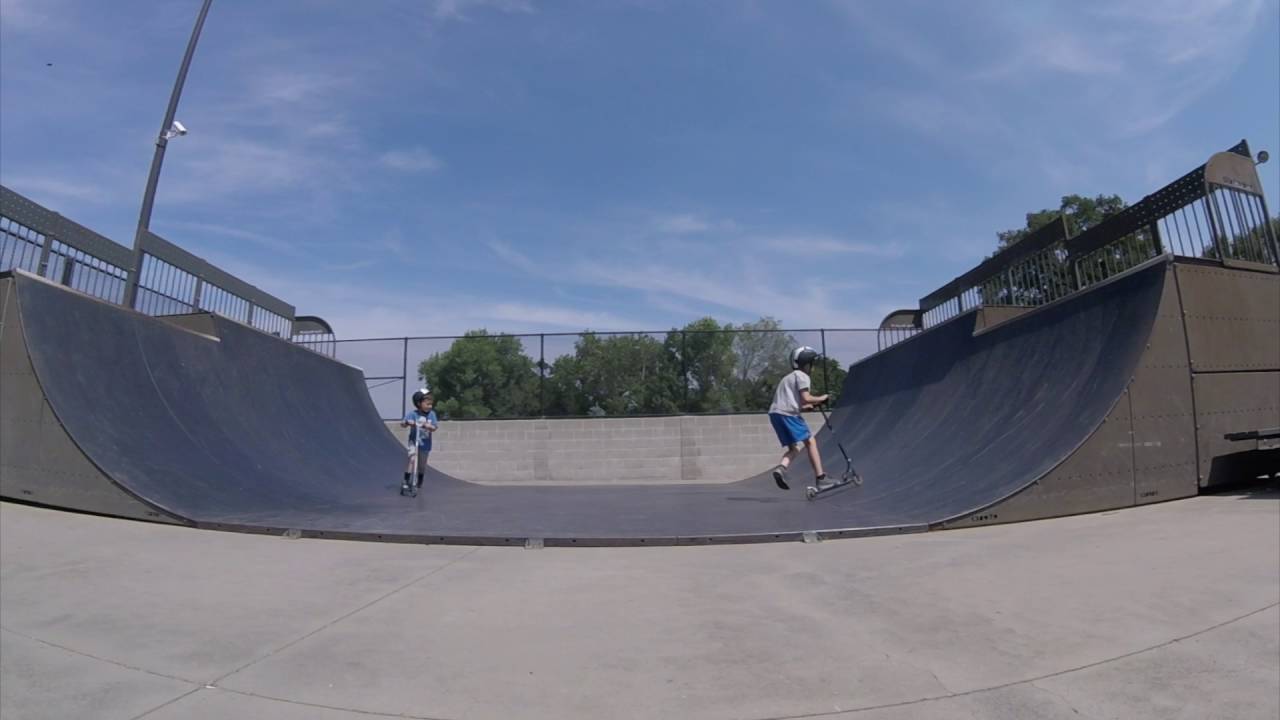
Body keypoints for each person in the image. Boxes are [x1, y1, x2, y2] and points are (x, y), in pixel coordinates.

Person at [768, 346, 828, 491]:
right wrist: (822, 398)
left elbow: (792, 401)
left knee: (794, 448)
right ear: (806, 363)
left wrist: (805, 407)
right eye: (811, 363)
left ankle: (781, 468)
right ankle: (821, 479)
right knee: (810, 442)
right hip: (789, 414)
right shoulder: (802, 376)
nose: (812, 367)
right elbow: (806, 397)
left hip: (775, 414)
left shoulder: (787, 378)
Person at [401, 388, 438, 494]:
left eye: (431, 404)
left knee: (422, 465)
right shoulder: (413, 414)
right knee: (412, 459)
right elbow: (403, 423)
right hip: (414, 441)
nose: (430, 406)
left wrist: (429, 426)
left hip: (425, 444)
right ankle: (406, 480)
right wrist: (408, 422)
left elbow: (435, 427)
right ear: (419, 403)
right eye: (427, 404)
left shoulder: (432, 414)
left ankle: (420, 479)